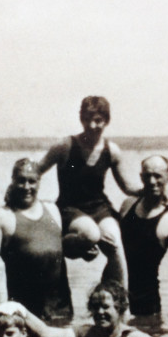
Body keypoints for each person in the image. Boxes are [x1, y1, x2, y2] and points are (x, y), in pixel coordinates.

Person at [37, 96, 141, 287]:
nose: (92, 125)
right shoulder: (65, 145)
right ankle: (65, 245)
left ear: (107, 121)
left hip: (99, 207)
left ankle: (118, 296)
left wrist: (149, 190)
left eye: (98, 120)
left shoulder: (112, 150)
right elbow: (36, 170)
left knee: (115, 243)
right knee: (91, 235)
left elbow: (127, 187)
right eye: (87, 119)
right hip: (70, 208)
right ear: (81, 119)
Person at [0, 158, 73, 323]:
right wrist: (1, 309)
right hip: (24, 316)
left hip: (62, 311)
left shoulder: (53, 210)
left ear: (39, 182)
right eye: (21, 180)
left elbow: (59, 250)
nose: (26, 187)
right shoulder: (0, 217)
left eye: (32, 181)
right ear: (13, 181)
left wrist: (85, 249)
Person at [0, 280, 168, 337]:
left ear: (120, 309)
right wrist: (20, 309)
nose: (100, 312)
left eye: (106, 307)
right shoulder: (86, 333)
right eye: (95, 307)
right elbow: (47, 333)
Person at [119, 155, 168, 317]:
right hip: (115, 295)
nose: (152, 181)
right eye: (147, 175)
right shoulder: (127, 205)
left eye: (157, 176)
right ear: (141, 177)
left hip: (146, 301)